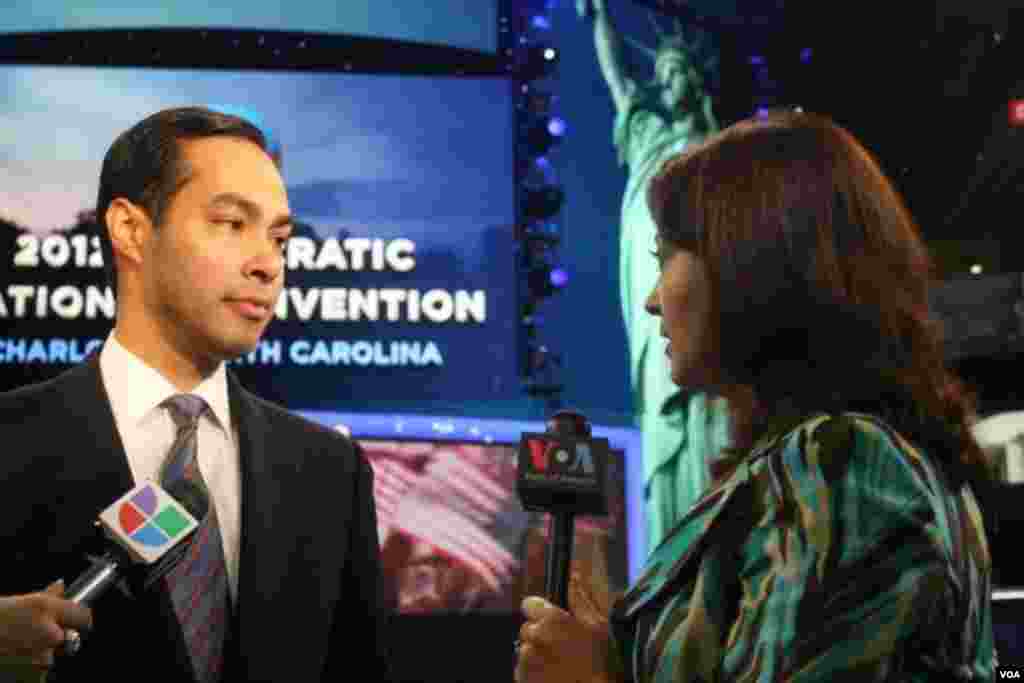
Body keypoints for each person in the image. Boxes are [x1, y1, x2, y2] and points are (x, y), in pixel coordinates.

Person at [514, 111, 997, 681]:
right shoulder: (841, 465)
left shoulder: (843, 467)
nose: (650, 300)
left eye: (664, 258)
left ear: (747, 259)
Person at [0, 106, 391, 682]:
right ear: (131, 229)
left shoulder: (331, 474)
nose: (267, 264)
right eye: (232, 224)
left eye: (279, 238)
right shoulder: (8, 442)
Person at [577, 0, 732, 550]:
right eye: (663, 75)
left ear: (696, 81)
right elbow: (618, 79)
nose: (670, 84)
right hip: (658, 296)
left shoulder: (723, 156)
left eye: (678, 72)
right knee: (666, 404)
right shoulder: (649, 139)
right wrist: (599, 19)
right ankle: (675, 538)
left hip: (708, 297)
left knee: (710, 410)